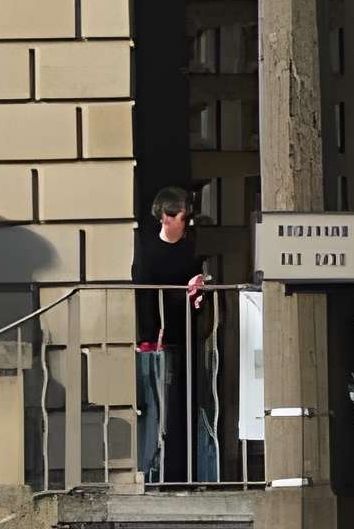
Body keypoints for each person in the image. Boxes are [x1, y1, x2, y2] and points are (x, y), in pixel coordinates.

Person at [133, 185, 220, 484]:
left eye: (177, 216)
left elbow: (204, 286)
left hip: (188, 336)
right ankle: (157, 474)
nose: (172, 222)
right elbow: (142, 296)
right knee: (158, 408)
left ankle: (189, 473)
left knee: (189, 403)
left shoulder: (194, 247)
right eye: (169, 216)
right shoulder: (147, 249)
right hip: (156, 340)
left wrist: (200, 287)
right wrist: (145, 337)